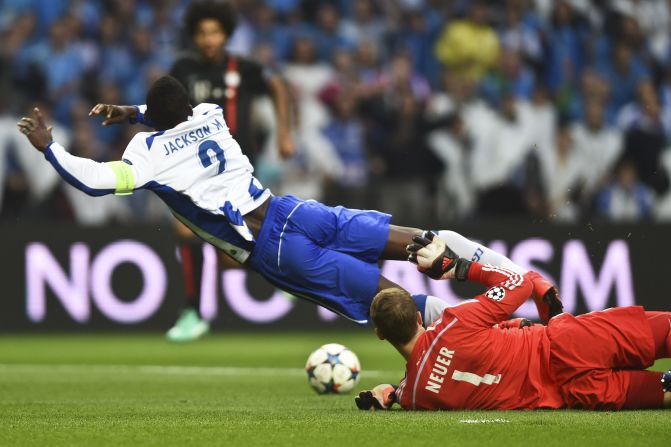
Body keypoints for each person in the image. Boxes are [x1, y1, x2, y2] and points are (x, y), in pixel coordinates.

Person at [15, 75, 562, 327]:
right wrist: (131, 109)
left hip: (266, 245)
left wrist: (50, 147)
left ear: (151, 121)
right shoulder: (209, 115)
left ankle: (513, 334)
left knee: (389, 302)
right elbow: (169, 109)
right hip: (291, 209)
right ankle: (518, 280)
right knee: (412, 241)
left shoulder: (146, 156)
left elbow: (94, 180)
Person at [356, 232, 671, 411]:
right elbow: (521, 282)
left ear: (380, 334)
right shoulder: (454, 324)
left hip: (576, 393)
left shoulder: (416, 397)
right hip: (569, 344)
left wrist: (390, 395)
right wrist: (457, 268)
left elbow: (416, 381)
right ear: (418, 316)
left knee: (665, 391)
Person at [167, 0, 294, 341]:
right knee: (186, 232)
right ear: (194, 36)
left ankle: (283, 275)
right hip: (192, 167)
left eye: (215, 32)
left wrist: (284, 133)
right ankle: (193, 313)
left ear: (226, 33)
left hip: (235, 166)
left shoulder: (245, 67)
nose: (209, 39)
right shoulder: (182, 68)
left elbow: (277, 87)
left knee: (230, 258)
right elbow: (167, 109)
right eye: (202, 33)